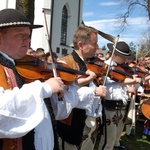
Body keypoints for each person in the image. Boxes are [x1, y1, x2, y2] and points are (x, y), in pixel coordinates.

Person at [0, 8, 98, 150]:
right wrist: (44, 88)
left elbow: (58, 113)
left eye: (28, 35)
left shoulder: (30, 69)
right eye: (20, 35)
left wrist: (71, 87)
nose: (27, 40)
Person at [56, 25, 107, 150]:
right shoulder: (65, 64)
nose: (98, 48)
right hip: (72, 124)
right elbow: (64, 98)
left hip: (89, 122)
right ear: (81, 45)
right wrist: (94, 91)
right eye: (94, 44)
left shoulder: (90, 64)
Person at [98, 41, 143, 150]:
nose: (125, 60)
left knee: (116, 135)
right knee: (108, 138)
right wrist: (125, 83)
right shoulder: (105, 67)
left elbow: (120, 85)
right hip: (110, 107)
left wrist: (130, 84)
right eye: (123, 57)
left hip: (121, 106)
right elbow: (107, 88)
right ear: (115, 55)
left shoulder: (121, 68)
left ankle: (116, 146)